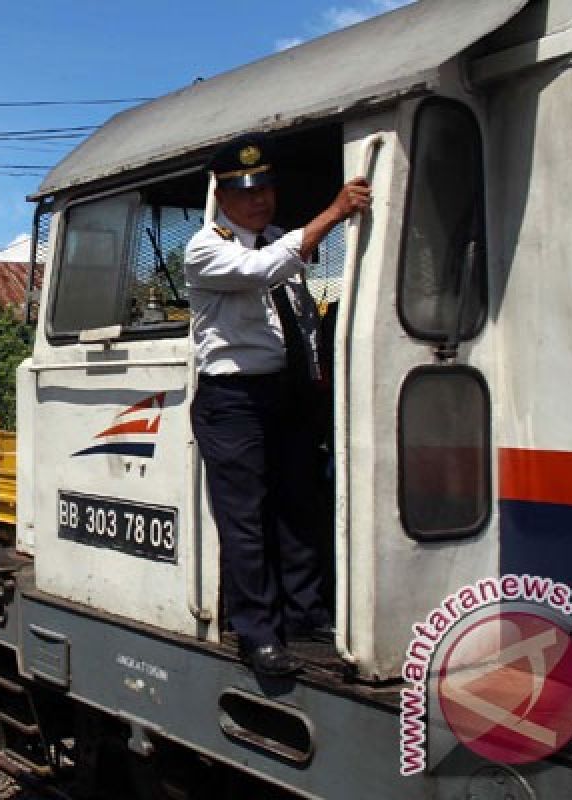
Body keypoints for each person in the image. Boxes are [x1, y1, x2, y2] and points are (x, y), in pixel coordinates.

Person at [186, 134, 371, 677]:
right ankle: (257, 633)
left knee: (297, 506)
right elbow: (265, 269)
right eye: (246, 192)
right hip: (233, 398)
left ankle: (304, 613)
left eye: (265, 187)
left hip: (283, 391)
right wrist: (334, 212)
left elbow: (293, 292)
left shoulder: (275, 239)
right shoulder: (208, 247)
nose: (259, 199)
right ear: (222, 195)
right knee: (246, 520)